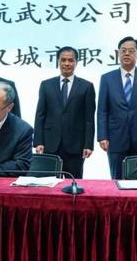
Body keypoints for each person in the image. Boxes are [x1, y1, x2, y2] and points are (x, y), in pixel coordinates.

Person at [97, 36, 137, 179]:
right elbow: (102, 110)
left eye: (131, 51)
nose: (127, 54)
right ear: (117, 53)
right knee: (117, 179)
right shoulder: (107, 78)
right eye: (123, 50)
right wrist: (102, 136)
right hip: (115, 138)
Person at [34, 46, 96, 178]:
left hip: (76, 145)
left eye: (70, 60)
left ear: (76, 62)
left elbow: (89, 119)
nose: (67, 63)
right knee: (49, 184)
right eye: (63, 60)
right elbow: (40, 115)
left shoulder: (87, 86)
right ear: (58, 61)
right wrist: (38, 141)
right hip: (50, 144)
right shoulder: (46, 85)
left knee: (73, 183)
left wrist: (88, 145)